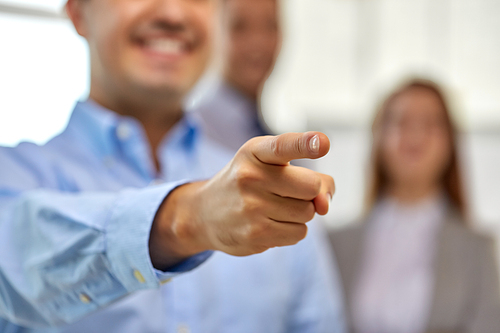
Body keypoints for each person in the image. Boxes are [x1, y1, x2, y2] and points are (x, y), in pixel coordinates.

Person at [0, 0, 345, 332]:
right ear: (77, 11)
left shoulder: (269, 194)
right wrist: (186, 218)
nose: (173, 12)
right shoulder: (12, 177)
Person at [329, 79, 500, 333]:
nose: (415, 135)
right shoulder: (335, 245)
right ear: (379, 137)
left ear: (450, 142)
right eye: (402, 122)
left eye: (431, 124)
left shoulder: (477, 248)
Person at [188, 0, 281, 151]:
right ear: (213, 31)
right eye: (239, 26)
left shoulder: (291, 153)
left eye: (271, 25)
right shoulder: (191, 136)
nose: (258, 41)